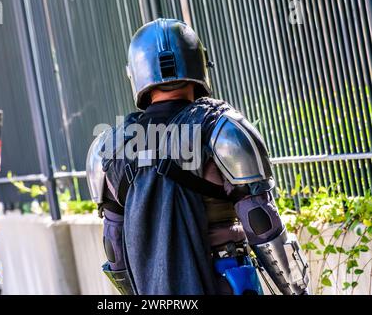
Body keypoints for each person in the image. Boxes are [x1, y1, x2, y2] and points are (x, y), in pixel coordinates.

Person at [86, 18, 310, 295]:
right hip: (226, 282)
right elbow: (263, 225)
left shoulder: (111, 149)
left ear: (136, 74)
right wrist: (297, 290)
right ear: (199, 64)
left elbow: (115, 250)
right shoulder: (221, 129)